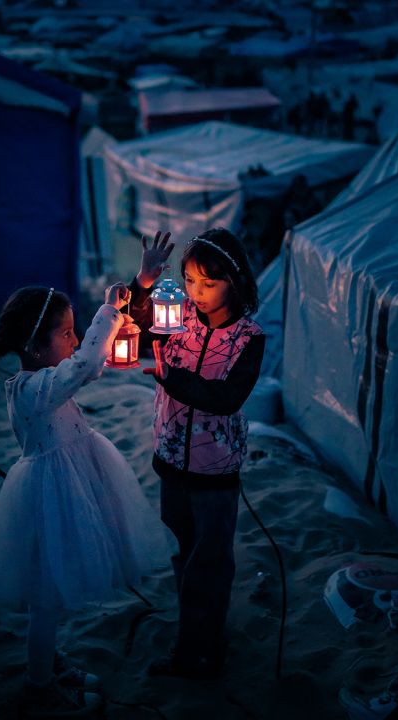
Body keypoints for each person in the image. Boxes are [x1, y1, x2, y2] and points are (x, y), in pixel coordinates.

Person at [0, 284, 168, 718]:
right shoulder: (33, 390)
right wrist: (108, 310)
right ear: (34, 346)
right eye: (66, 333)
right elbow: (85, 365)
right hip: (53, 499)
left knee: (53, 598)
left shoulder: (45, 381)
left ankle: (46, 664)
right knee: (47, 598)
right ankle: (39, 683)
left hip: (69, 484)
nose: (76, 340)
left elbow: (89, 366)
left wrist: (120, 305)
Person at [128, 228, 265, 679]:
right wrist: (145, 281)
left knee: (209, 564)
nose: (197, 293)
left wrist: (172, 379)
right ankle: (194, 635)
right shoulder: (178, 314)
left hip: (215, 471)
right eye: (189, 281)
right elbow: (135, 318)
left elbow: (227, 397)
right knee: (182, 554)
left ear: (236, 280)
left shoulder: (248, 337)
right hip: (171, 460)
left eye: (210, 283)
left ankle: (201, 655)